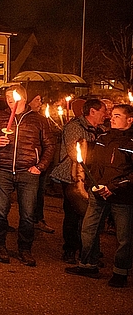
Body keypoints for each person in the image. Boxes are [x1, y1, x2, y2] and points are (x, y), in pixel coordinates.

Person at [0, 84, 55, 267]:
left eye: (12, 96)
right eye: (7, 96)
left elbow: (50, 145)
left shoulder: (37, 120)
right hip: (2, 169)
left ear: (23, 98)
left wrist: (40, 166)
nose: (9, 99)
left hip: (28, 171)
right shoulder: (0, 117)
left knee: (28, 214)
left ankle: (25, 249)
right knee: (0, 211)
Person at [66, 104, 133, 288]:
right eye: (112, 115)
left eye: (117, 116)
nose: (112, 118)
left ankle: (120, 272)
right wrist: (91, 183)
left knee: (124, 237)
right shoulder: (103, 137)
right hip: (98, 193)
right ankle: (88, 265)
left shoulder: (131, 142)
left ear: (129, 119)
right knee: (89, 229)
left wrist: (112, 187)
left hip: (122, 196)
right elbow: (94, 162)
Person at [50, 98, 107, 264]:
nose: (106, 115)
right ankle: (70, 249)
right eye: (103, 111)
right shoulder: (74, 127)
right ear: (93, 111)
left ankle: (88, 250)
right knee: (73, 215)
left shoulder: (102, 129)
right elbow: (75, 153)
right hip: (72, 176)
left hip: (93, 177)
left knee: (91, 217)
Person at [27, 92, 58, 235]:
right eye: (37, 99)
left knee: (39, 194)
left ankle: (37, 219)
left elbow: (49, 143)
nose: (40, 103)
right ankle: (30, 221)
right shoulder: (25, 120)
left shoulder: (42, 120)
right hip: (29, 164)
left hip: (40, 164)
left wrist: (43, 164)